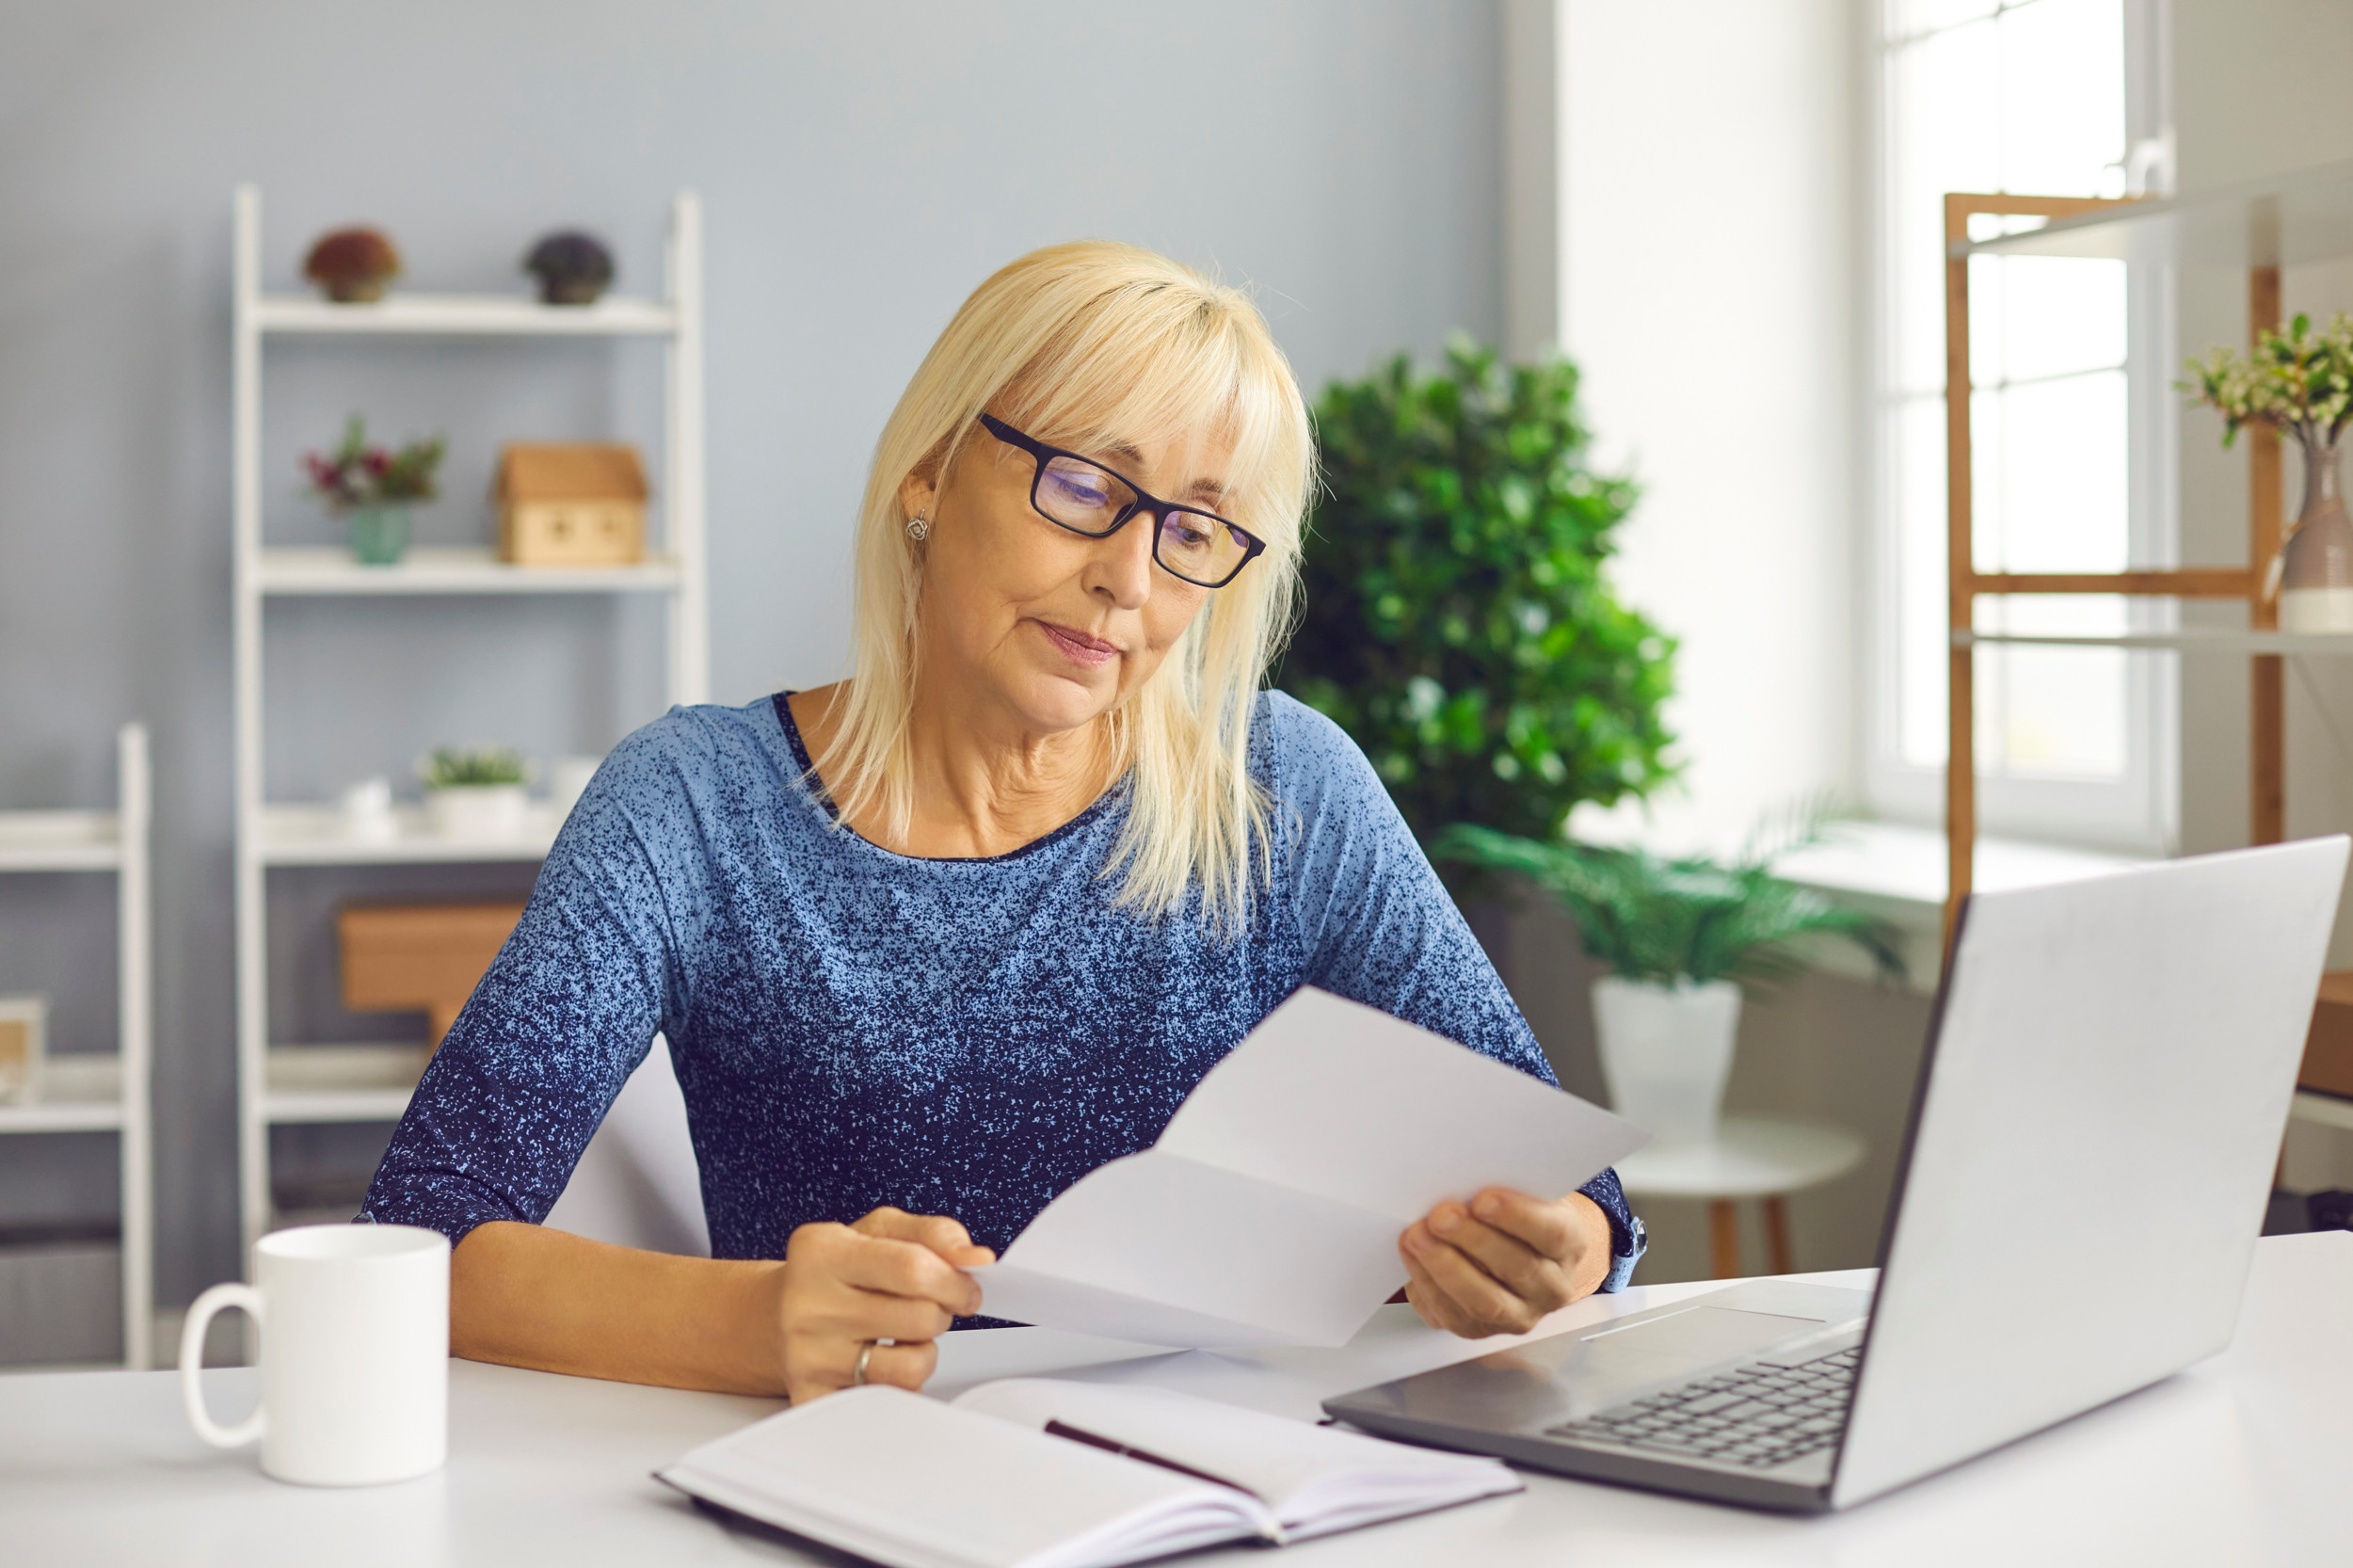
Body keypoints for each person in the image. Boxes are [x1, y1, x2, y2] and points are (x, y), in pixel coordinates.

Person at [361, 240, 1644, 1405]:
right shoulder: (694, 805)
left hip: (1235, 1490)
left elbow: (1571, 1190)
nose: (1129, 579)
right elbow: (421, 1243)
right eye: (1086, 486)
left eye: (1194, 528)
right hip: (851, 1497)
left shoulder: (1281, 790)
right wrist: (754, 1320)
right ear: (928, 475)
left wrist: (1557, 1250)